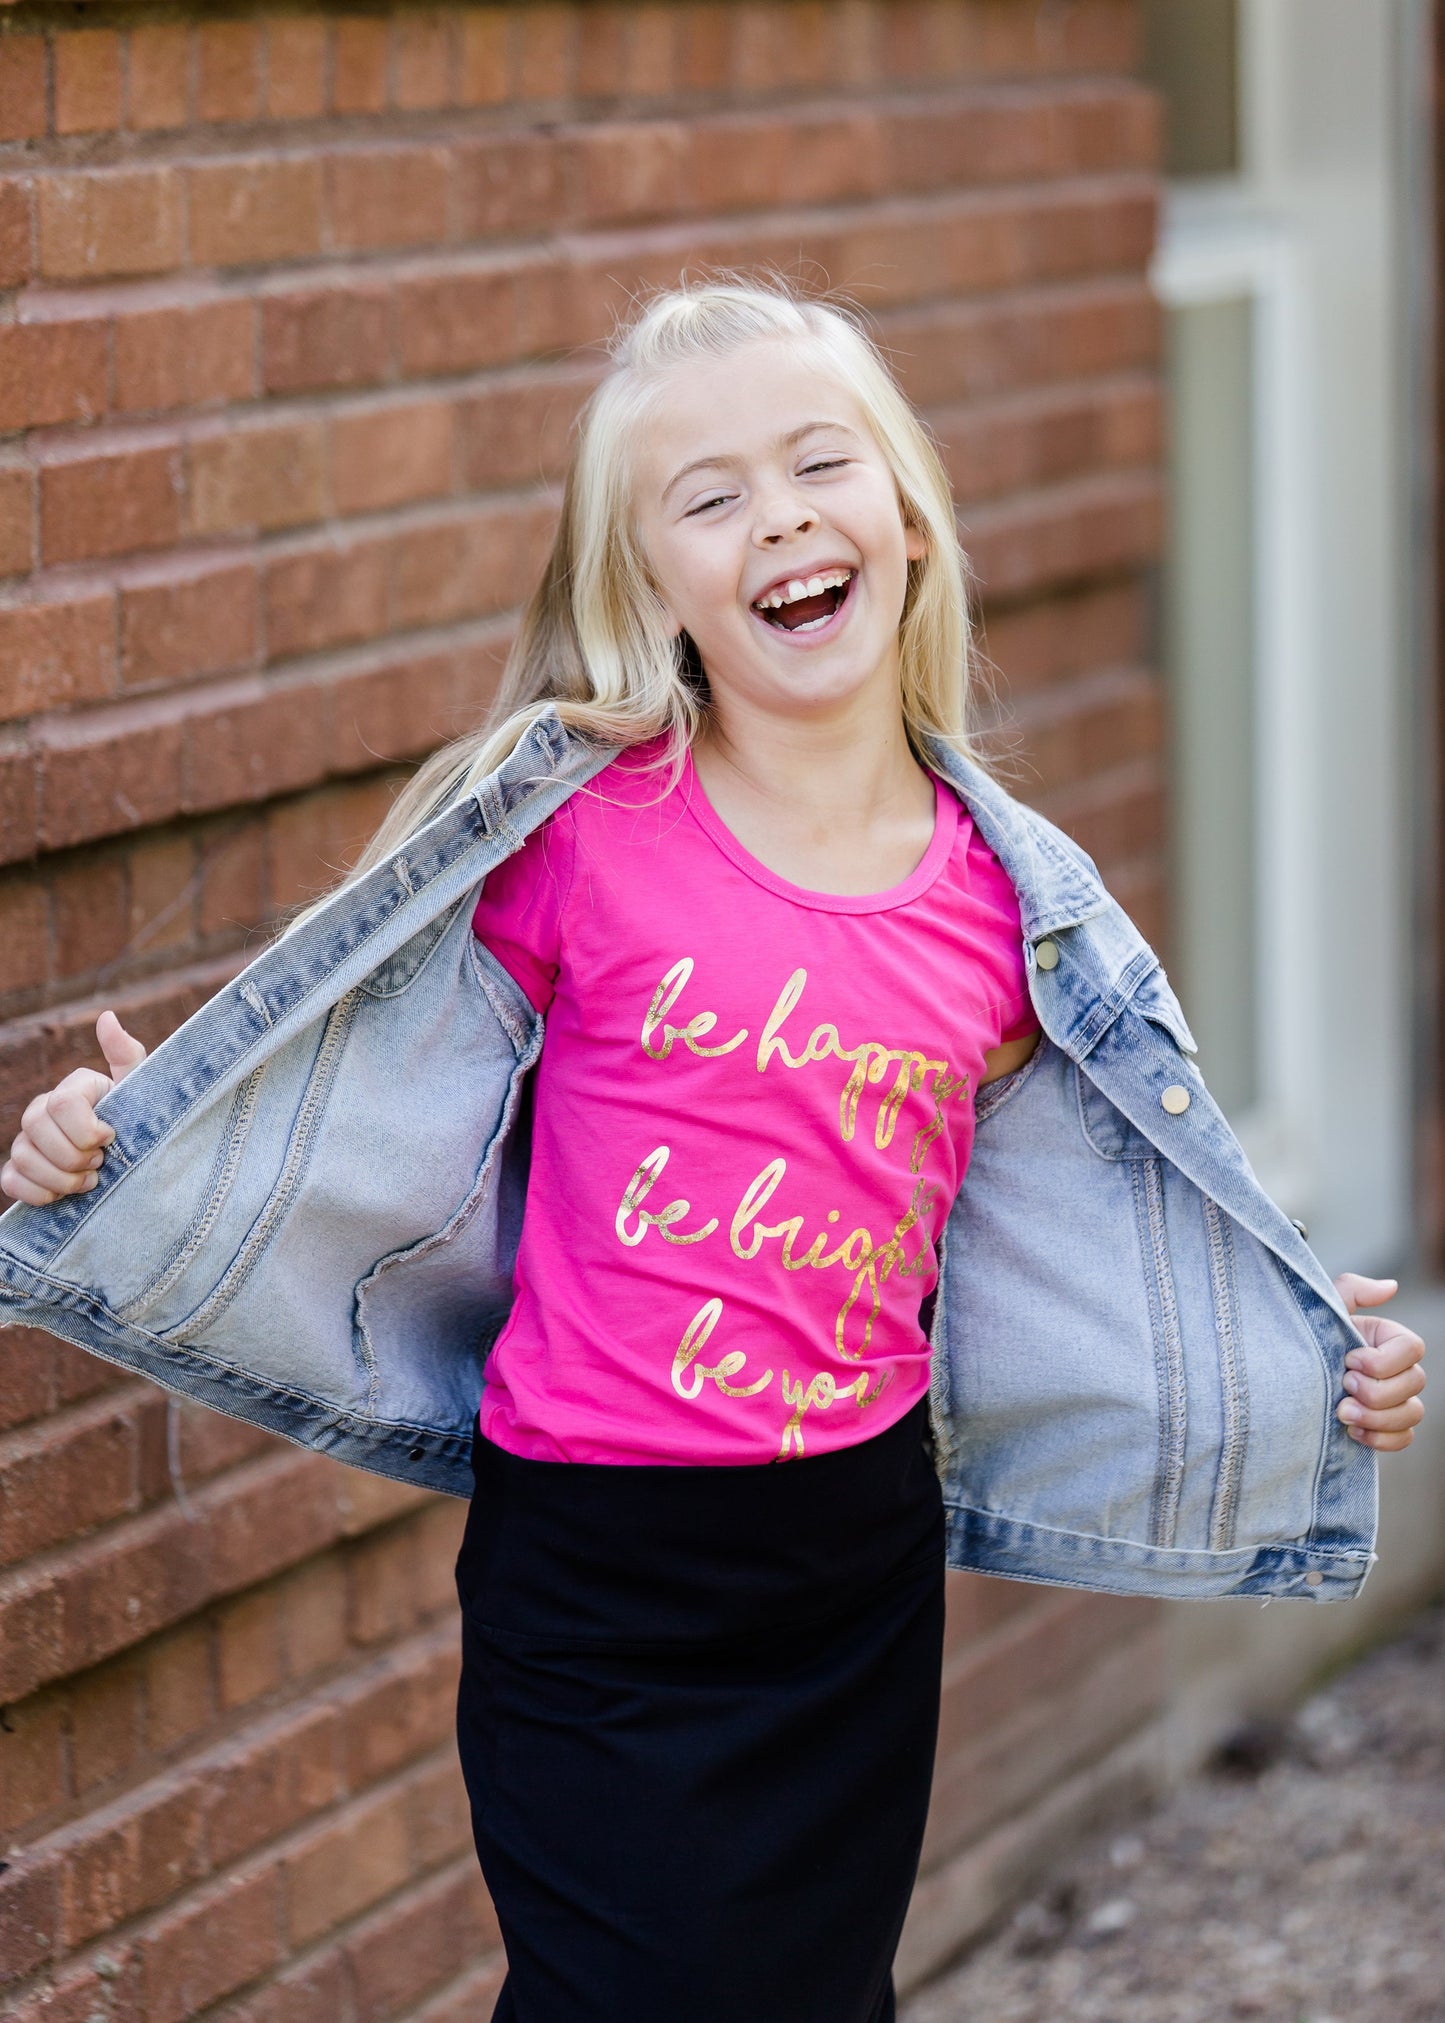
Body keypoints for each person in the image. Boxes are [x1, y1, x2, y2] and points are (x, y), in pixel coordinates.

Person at [1, 275, 1427, 2023]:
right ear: (652, 587)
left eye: (817, 463)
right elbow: (327, 1070)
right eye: (708, 497)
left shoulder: (1011, 913)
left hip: (848, 1562)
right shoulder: (574, 828)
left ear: (904, 516)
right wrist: (132, 1143)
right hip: (593, 1566)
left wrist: (1311, 1362)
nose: (778, 519)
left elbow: (1106, 1226)